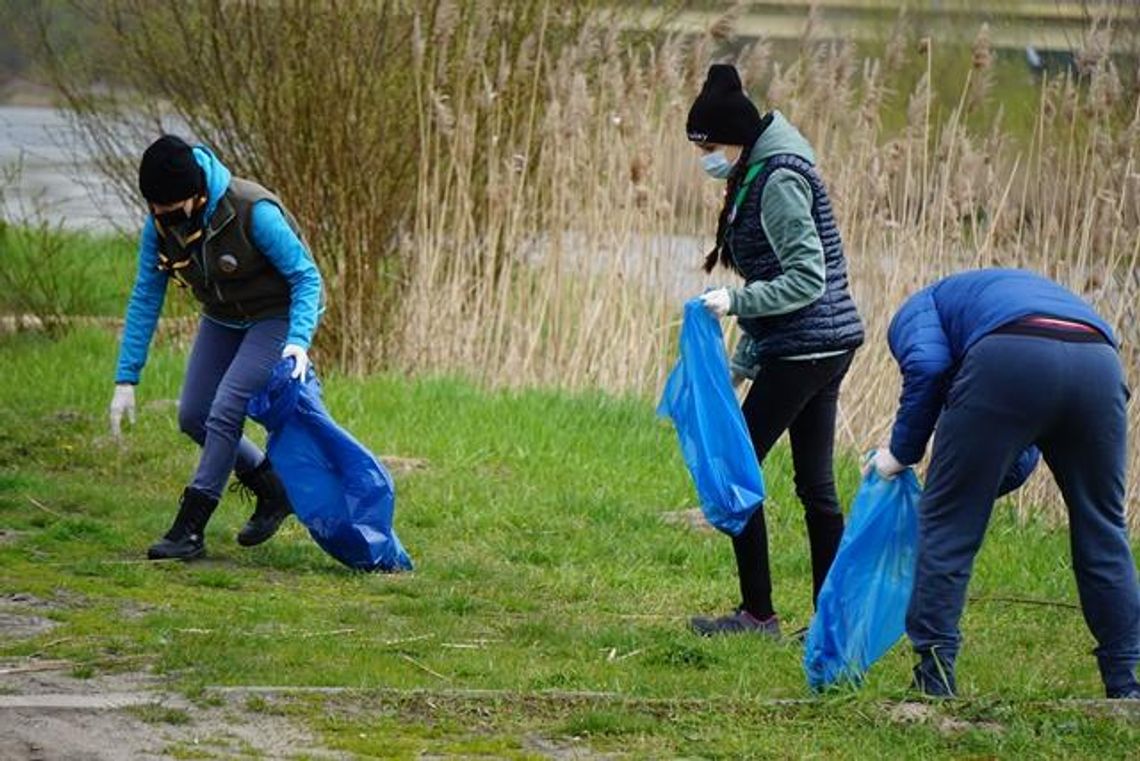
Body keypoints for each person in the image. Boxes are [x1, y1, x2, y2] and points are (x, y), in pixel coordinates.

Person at [867, 268, 1140, 699]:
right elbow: (1021, 446)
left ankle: (934, 680)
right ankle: (1125, 685)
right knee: (1103, 528)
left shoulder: (917, 308)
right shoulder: (1001, 292)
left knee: (949, 526)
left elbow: (927, 365)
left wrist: (902, 453)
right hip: (1100, 365)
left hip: (1010, 357)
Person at [684, 64, 865, 637]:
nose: (706, 158)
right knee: (815, 486)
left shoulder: (779, 179)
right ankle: (829, 622)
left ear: (736, 137)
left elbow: (804, 280)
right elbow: (780, 296)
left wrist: (733, 301)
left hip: (806, 348)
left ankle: (758, 614)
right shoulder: (756, 171)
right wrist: (740, 365)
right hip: (819, 344)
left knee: (737, 470)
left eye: (709, 146)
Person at [108, 135, 323, 561]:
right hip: (223, 318)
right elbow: (145, 298)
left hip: (275, 316)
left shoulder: (252, 210)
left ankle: (189, 530)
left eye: (169, 210)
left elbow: (306, 278)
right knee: (194, 416)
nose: (160, 218)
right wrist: (125, 378)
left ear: (196, 195)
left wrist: (298, 341)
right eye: (153, 208)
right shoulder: (159, 224)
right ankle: (273, 490)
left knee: (226, 408)